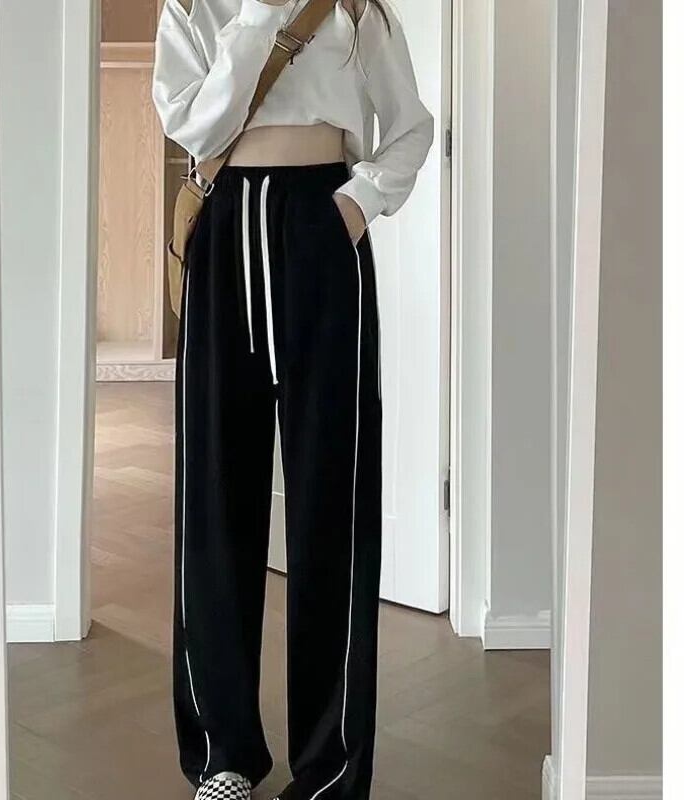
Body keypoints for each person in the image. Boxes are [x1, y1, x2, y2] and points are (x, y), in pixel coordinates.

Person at [152, 0, 433, 797]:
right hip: (225, 229)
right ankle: (224, 756)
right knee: (215, 501)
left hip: (323, 231)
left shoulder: (356, 11)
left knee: (332, 506)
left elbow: (410, 128)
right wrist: (258, 18)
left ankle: (329, 768)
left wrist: (355, 204)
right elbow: (193, 124)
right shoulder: (192, 7)